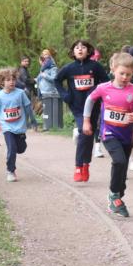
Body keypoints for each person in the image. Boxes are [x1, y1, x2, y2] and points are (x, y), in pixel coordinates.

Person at [84, 52, 133, 217]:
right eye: (122, 73)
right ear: (113, 69)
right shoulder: (103, 88)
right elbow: (90, 100)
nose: (125, 77)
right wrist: (86, 121)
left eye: (128, 74)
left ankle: (117, 195)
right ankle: (113, 196)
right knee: (119, 161)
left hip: (126, 136)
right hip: (109, 133)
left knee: (123, 171)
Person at [55, 40, 109, 182]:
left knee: (89, 135)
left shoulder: (95, 66)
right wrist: (65, 95)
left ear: (89, 51)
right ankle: (78, 167)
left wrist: (99, 94)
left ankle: (86, 164)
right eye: (77, 48)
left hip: (93, 106)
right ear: (73, 51)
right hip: (77, 106)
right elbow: (57, 80)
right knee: (83, 131)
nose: (80, 49)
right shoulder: (68, 68)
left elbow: (105, 82)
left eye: (83, 47)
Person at [0, 68, 32, 182]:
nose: (11, 82)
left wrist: (32, 120)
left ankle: (12, 152)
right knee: (12, 148)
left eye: (13, 79)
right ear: (2, 82)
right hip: (7, 127)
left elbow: (28, 106)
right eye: (8, 80)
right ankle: (10, 171)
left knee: (21, 149)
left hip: (20, 127)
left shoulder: (20, 93)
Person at [37, 49, 61, 131]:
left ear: (50, 55)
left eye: (46, 54)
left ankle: (49, 126)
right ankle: (46, 125)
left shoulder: (53, 68)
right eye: (43, 54)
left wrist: (44, 76)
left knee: (49, 110)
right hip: (43, 92)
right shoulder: (43, 68)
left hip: (50, 92)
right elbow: (40, 79)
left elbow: (54, 79)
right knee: (45, 110)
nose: (44, 56)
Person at [15, 57, 39, 130]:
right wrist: (34, 80)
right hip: (25, 90)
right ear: (21, 62)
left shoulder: (24, 69)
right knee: (27, 107)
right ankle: (32, 123)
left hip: (25, 90)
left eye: (27, 61)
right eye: (25, 61)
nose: (27, 63)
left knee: (25, 108)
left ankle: (26, 124)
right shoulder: (22, 70)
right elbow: (25, 80)